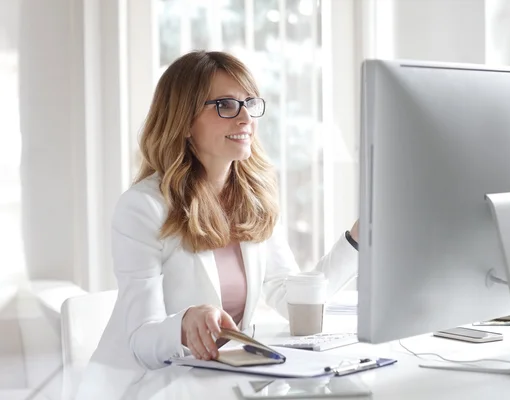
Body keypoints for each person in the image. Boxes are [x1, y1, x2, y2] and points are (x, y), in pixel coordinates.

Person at [88, 50, 359, 372]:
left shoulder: (254, 196)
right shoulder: (142, 207)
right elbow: (141, 343)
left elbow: (291, 300)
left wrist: (358, 239)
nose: (246, 118)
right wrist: (185, 324)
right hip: (148, 382)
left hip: (220, 376)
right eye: (226, 105)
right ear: (184, 121)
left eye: (250, 103)